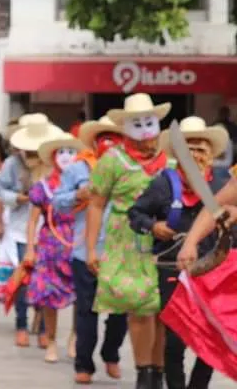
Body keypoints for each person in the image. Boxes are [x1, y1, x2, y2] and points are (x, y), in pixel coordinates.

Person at [129, 117, 228, 389]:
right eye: (190, 147)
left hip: (214, 270)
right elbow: (135, 214)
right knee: (174, 340)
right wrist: (153, 226)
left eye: (201, 148)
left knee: (212, 339)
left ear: (210, 153)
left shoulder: (222, 183)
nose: (195, 154)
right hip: (173, 269)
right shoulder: (163, 184)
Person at [86, 93, 173, 389]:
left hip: (168, 241)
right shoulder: (113, 160)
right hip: (128, 241)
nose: (148, 132)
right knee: (141, 308)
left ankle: (159, 372)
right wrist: (91, 248)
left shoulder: (170, 159)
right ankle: (144, 373)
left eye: (151, 123)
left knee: (165, 311)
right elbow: (96, 204)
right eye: (139, 124)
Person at [53, 114, 127, 384]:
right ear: (94, 142)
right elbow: (58, 203)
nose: (109, 142)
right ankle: (83, 364)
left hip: (122, 251)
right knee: (87, 310)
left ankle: (112, 354)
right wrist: (77, 195)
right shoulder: (77, 169)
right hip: (85, 251)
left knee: (121, 309)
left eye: (114, 138)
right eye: (103, 138)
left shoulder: (130, 169)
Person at [0, 113, 56, 346]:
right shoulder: (12, 164)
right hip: (21, 228)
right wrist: (17, 198)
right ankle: (21, 323)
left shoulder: (53, 164)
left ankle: (42, 328)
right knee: (23, 277)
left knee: (44, 280)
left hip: (48, 230)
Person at [25, 131, 80, 363]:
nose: (66, 157)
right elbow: (33, 220)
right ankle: (51, 340)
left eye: (71, 152)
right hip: (49, 245)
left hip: (77, 242)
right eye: (62, 152)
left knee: (81, 295)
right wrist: (30, 248)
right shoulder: (44, 187)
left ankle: (75, 337)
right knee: (49, 295)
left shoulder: (84, 183)